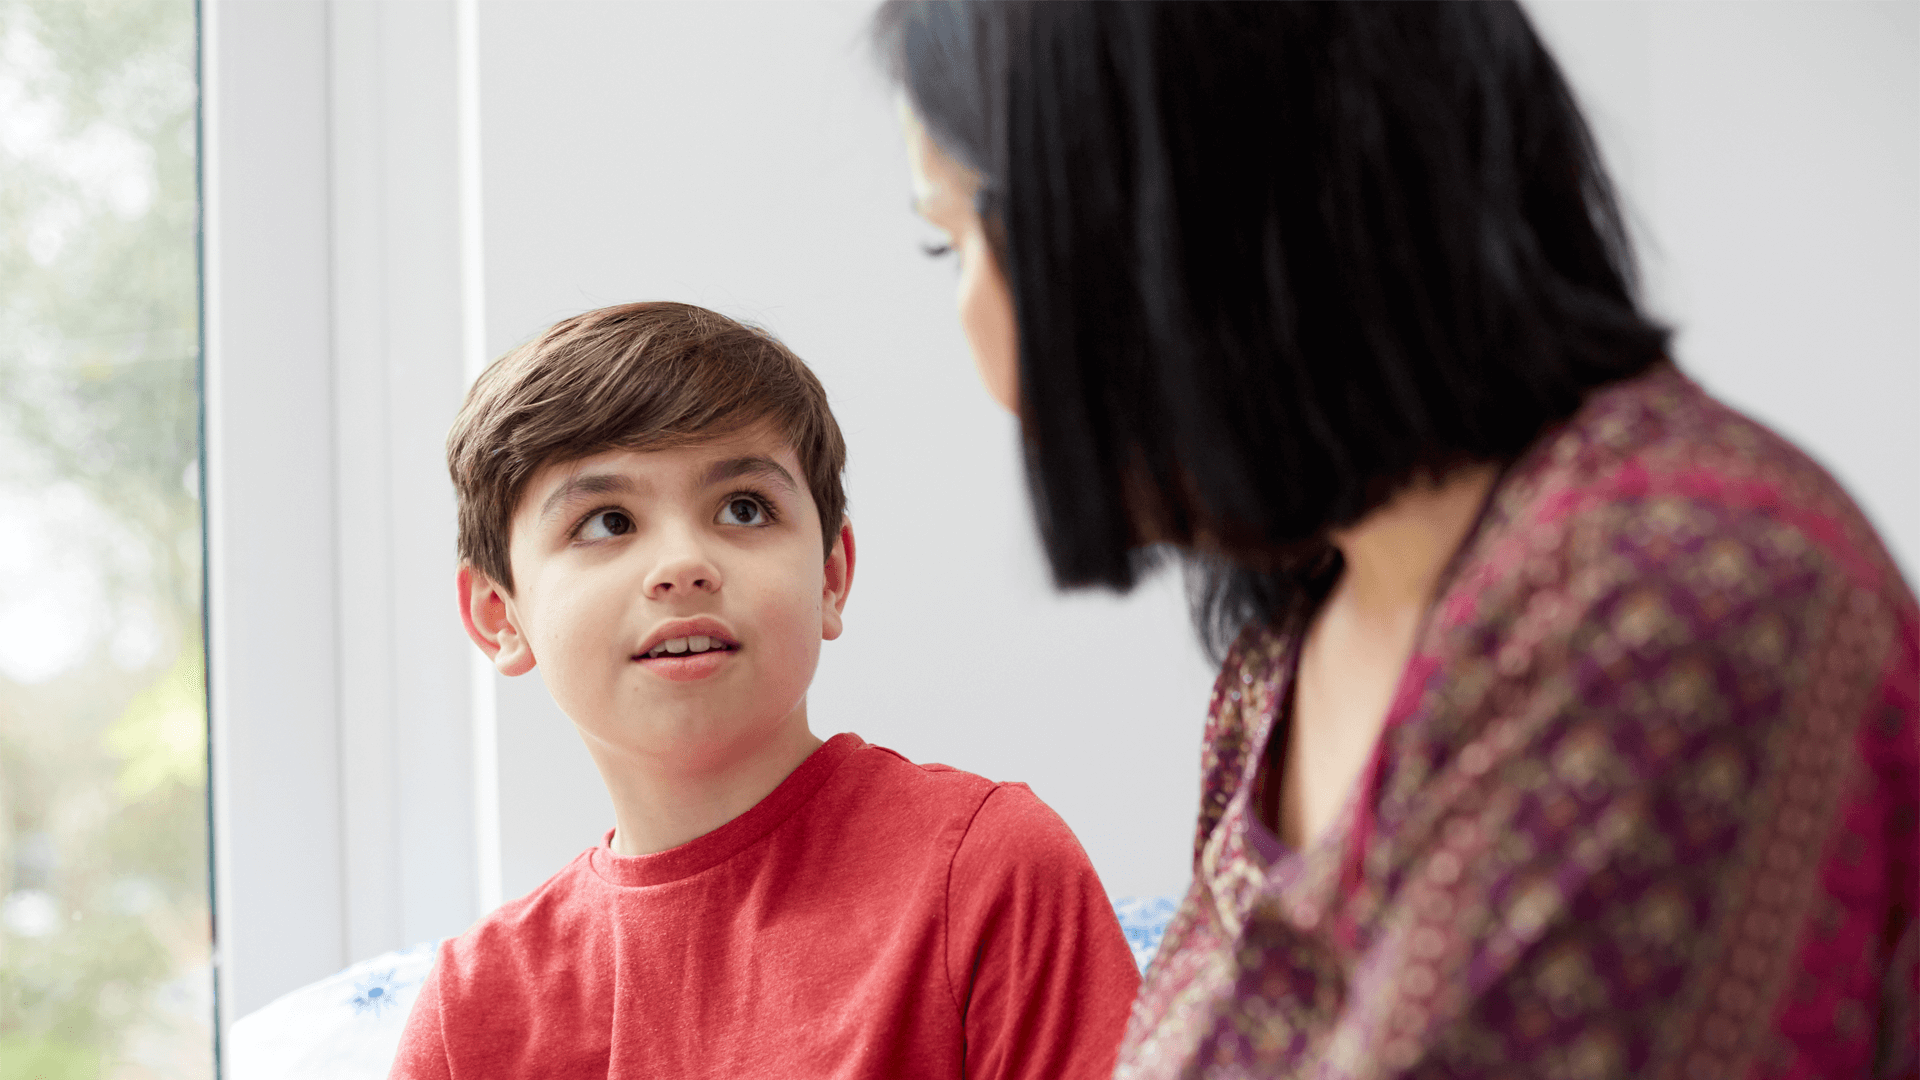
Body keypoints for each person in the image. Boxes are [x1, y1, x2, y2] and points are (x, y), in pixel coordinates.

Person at [875, 3, 1918, 1077]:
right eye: (939, 248)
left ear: (1210, 200)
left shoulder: (1669, 601)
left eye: (979, 238)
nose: (986, 347)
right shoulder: (1288, 643)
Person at [389, 301, 1140, 1078]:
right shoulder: (471, 1012)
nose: (682, 564)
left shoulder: (989, 872)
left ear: (831, 578)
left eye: (743, 509)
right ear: (497, 616)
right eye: (608, 521)